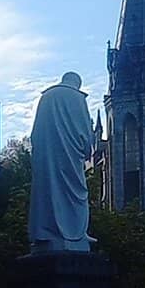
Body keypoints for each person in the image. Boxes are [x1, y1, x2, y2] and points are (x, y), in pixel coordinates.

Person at [28, 71, 95, 253]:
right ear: (77, 83)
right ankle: (76, 232)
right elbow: (85, 129)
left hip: (46, 155)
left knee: (47, 191)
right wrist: (87, 149)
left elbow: (35, 131)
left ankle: (47, 232)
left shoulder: (45, 97)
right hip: (69, 156)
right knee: (75, 191)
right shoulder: (77, 97)